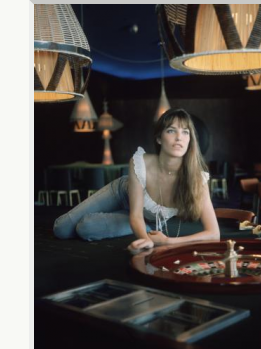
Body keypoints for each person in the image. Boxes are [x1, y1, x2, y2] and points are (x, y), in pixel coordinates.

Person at [53, 108, 220, 254]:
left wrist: (167, 241)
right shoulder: (140, 162)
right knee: (61, 229)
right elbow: (135, 215)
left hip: (146, 219)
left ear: (190, 140)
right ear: (159, 139)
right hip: (122, 194)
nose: (179, 137)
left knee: (86, 228)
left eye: (185, 132)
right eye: (171, 130)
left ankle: (147, 227)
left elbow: (214, 234)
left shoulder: (197, 177)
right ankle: (145, 227)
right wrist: (145, 238)